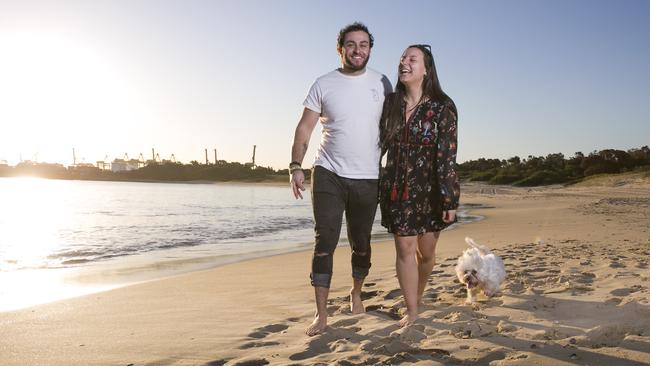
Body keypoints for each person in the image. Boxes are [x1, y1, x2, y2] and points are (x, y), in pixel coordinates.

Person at [290, 22, 392, 336]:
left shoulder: (383, 83)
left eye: (363, 44)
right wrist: (296, 165)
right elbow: (305, 129)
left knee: (361, 244)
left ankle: (356, 293)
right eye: (351, 44)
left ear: (370, 49)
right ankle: (321, 315)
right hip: (328, 172)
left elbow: (394, 127)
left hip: (368, 177)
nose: (357, 50)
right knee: (325, 242)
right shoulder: (323, 83)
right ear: (341, 49)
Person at [379, 44, 459, 327]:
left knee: (425, 253)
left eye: (412, 59)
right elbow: (378, 145)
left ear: (426, 69)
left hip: (431, 189)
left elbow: (448, 155)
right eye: (402, 57)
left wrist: (449, 199)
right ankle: (412, 311)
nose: (404, 62)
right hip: (398, 187)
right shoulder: (390, 103)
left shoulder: (443, 107)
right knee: (404, 248)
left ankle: (418, 295)